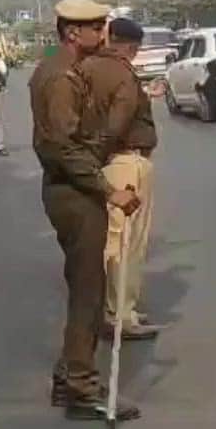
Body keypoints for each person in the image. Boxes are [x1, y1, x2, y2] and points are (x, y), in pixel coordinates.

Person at [29, 0, 142, 423]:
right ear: (73, 32)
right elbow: (61, 145)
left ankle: (68, 376)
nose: (103, 34)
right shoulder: (61, 77)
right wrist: (108, 189)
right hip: (75, 192)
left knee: (86, 286)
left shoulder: (57, 67)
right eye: (97, 27)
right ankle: (80, 384)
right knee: (88, 293)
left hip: (71, 187)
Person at [79, 17, 163, 341]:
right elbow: (117, 121)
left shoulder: (86, 67)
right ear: (132, 46)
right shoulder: (122, 71)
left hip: (105, 163)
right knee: (128, 243)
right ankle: (121, 315)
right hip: (126, 161)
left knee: (113, 240)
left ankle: (114, 309)